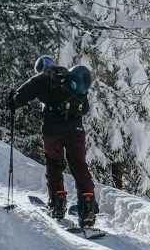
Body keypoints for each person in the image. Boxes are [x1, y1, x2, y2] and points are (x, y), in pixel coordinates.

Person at [7, 56, 98, 227]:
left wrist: (12, 101)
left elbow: (20, 97)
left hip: (52, 132)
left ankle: (57, 205)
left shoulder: (41, 78)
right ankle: (88, 210)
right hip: (76, 131)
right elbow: (84, 108)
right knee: (80, 167)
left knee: (55, 165)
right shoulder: (69, 76)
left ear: (39, 67)